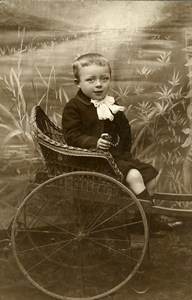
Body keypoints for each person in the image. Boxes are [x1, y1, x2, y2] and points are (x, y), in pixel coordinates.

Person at [62, 53, 159, 201]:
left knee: (151, 175)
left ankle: (140, 218)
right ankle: (148, 218)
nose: (99, 84)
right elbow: (72, 136)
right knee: (134, 176)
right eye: (90, 80)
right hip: (90, 161)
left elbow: (125, 129)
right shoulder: (73, 107)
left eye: (104, 79)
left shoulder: (112, 104)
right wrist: (95, 143)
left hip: (116, 158)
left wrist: (124, 152)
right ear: (78, 82)